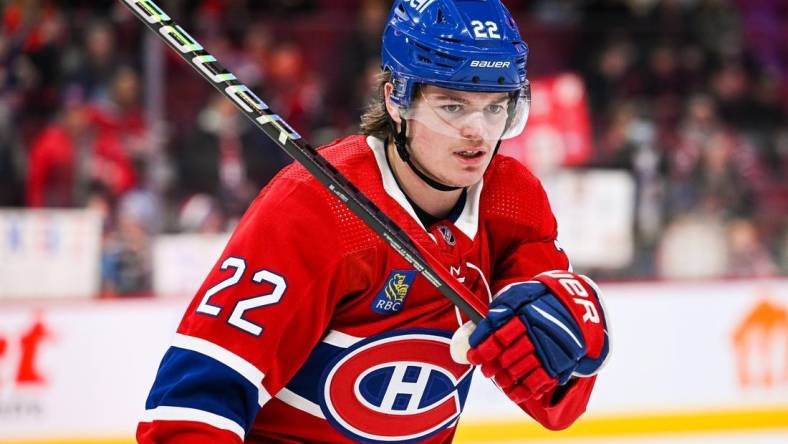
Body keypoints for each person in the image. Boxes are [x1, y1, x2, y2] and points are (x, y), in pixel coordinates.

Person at [137, 1, 610, 442]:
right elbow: (189, 408)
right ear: (396, 100)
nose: (477, 131)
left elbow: (555, 406)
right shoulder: (312, 208)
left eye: (495, 107)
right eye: (452, 106)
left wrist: (574, 340)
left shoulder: (511, 201)